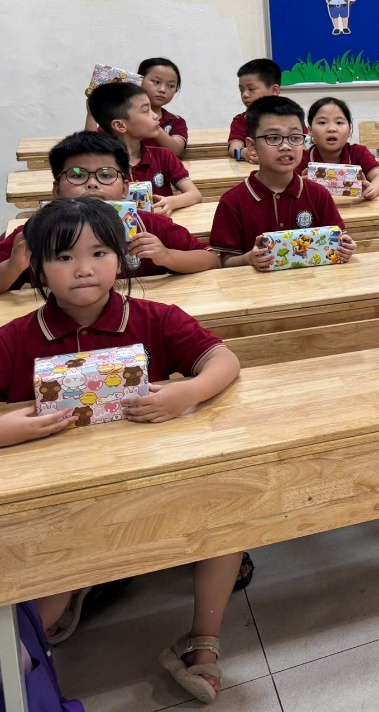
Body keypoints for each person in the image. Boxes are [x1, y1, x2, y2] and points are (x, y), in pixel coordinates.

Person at [0, 198, 243, 704]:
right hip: (62, 499)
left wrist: (185, 393)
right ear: (36, 268)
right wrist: (7, 429)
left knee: (228, 514)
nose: (83, 268)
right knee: (42, 595)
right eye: (63, 256)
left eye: (99, 252)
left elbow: (223, 360)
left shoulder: (155, 317)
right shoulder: (15, 339)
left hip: (154, 477)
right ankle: (45, 629)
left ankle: (202, 640)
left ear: (122, 257)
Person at [0, 131, 215, 291]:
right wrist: (13, 266)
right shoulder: (35, 232)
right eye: (77, 175)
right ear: (56, 190)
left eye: (106, 175)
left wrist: (167, 256)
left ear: (124, 189)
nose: (92, 183)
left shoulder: (148, 225)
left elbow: (211, 259)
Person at [210, 97, 355, 270]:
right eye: (273, 138)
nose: (286, 146)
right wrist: (249, 259)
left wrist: (344, 248)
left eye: (294, 137)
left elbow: (336, 241)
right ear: (252, 146)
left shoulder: (318, 194)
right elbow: (225, 262)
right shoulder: (232, 202)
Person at [88, 82, 202, 214]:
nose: (155, 115)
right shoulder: (100, 166)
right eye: (146, 110)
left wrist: (171, 202)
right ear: (120, 125)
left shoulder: (164, 156)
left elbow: (195, 194)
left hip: (161, 225)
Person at [302, 97, 379, 200]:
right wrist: (300, 184)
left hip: (355, 208)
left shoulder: (358, 153)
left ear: (349, 130)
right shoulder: (301, 158)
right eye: (322, 122)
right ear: (310, 130)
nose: (331, 129)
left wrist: (370, 191)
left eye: (339, 123)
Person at [227, 58, 282, 161]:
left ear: (274, 90)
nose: (245, 95)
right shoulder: (241, 120)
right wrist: (244, 153)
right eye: (241, 90)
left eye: (251, 89)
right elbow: (234, 147)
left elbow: (304, 144)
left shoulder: (290, 117)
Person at [138, 57, 189, 157]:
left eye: (171, 86)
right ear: (139, 80)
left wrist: (153, 124)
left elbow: (176, 151)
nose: (162, 89)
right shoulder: (123, 116)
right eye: (156, 82)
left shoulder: (176, 122)